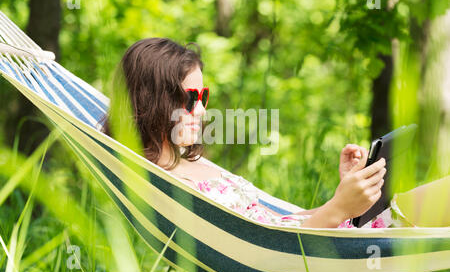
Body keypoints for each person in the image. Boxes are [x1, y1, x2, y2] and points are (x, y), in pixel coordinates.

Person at [101, 37, 450, 229]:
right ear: (154, 101)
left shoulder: (197, 168)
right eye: (192, 97)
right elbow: (267, 258)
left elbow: (275, 226)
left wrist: (342, 199)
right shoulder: (163, 185)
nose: (203, 110)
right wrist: (340, 207)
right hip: (342, 256)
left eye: (203, 96)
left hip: (342, 239)